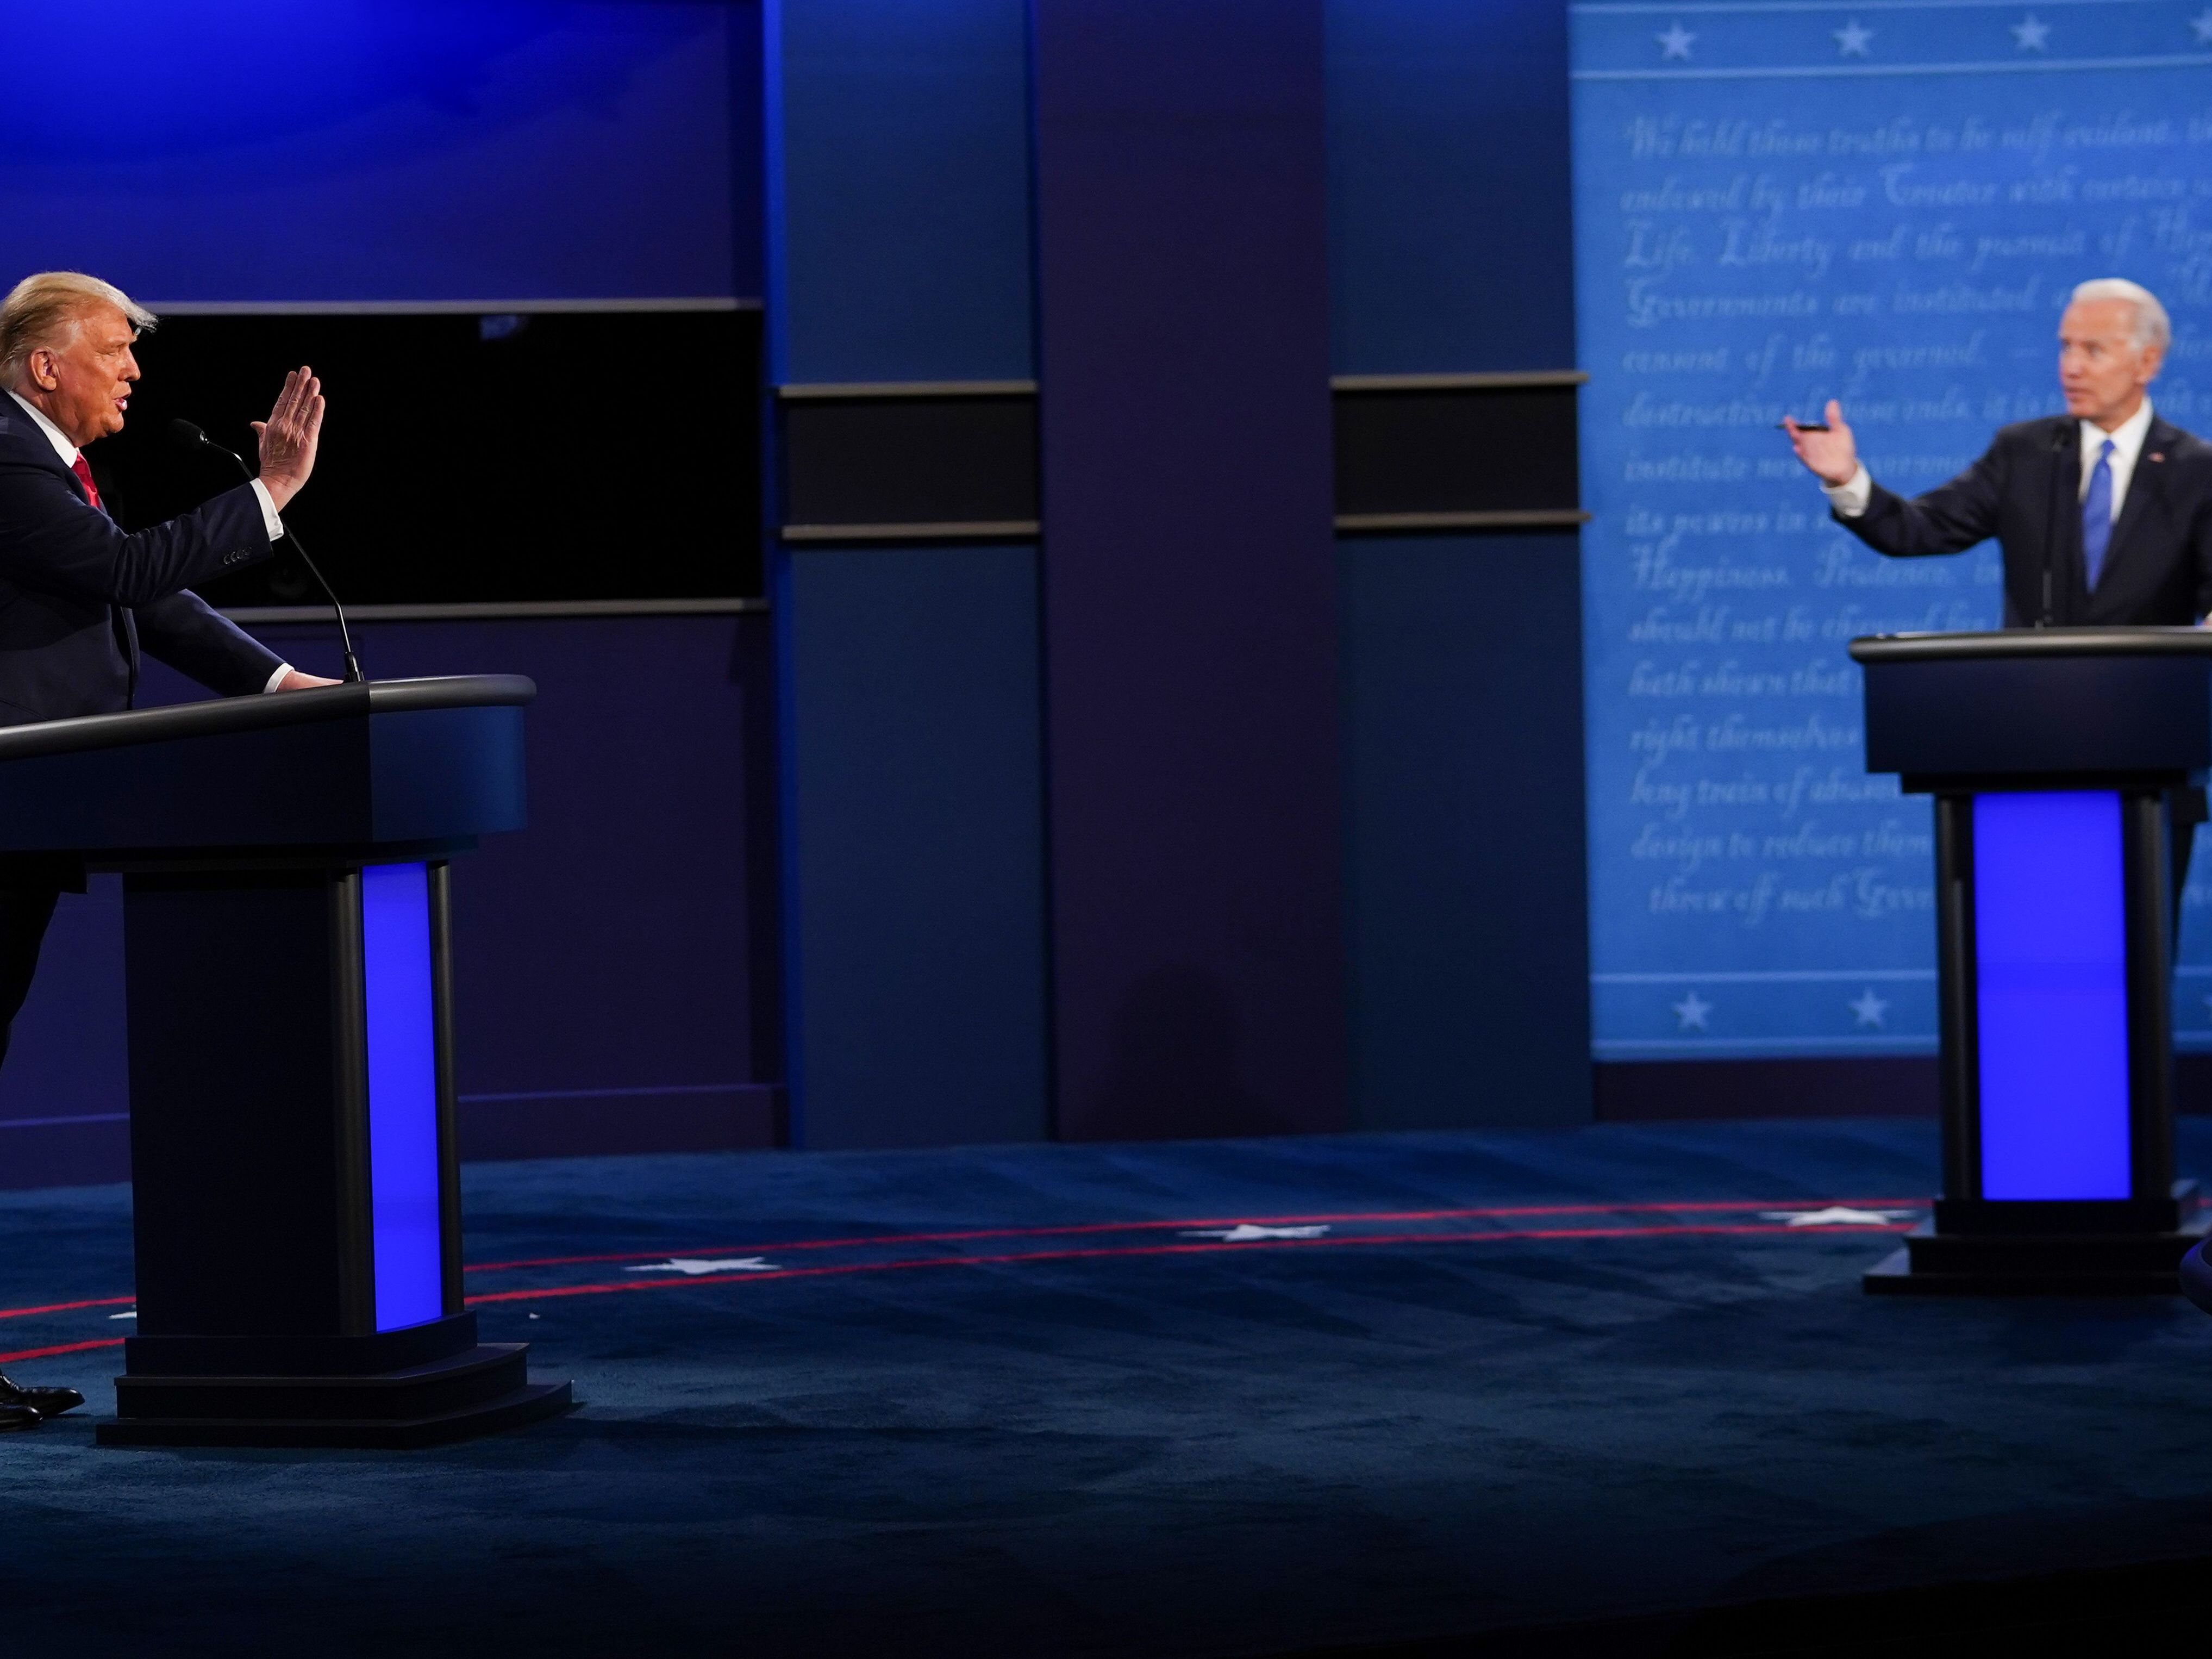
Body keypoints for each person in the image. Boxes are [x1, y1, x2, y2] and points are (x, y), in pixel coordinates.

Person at [0, 270, 333, 1432]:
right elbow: (129, 574)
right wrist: (269, 493)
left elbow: (145, 599)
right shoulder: (4, 457)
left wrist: (278, 677)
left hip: (25, 822)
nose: (134, 370)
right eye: (114, 349)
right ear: (46, 365)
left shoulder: (47, 465)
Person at [1784, 276, 2212, 967]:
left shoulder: (2197, 472)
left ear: (2146, 361)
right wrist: (1846, 481)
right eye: (2064, 347)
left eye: (2093, 350)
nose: (2070, 366)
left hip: (2148, 765)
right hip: (2027, 755)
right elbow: (1919, 529)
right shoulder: (2022, 454)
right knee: (2034, 967)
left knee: (2128, 967)